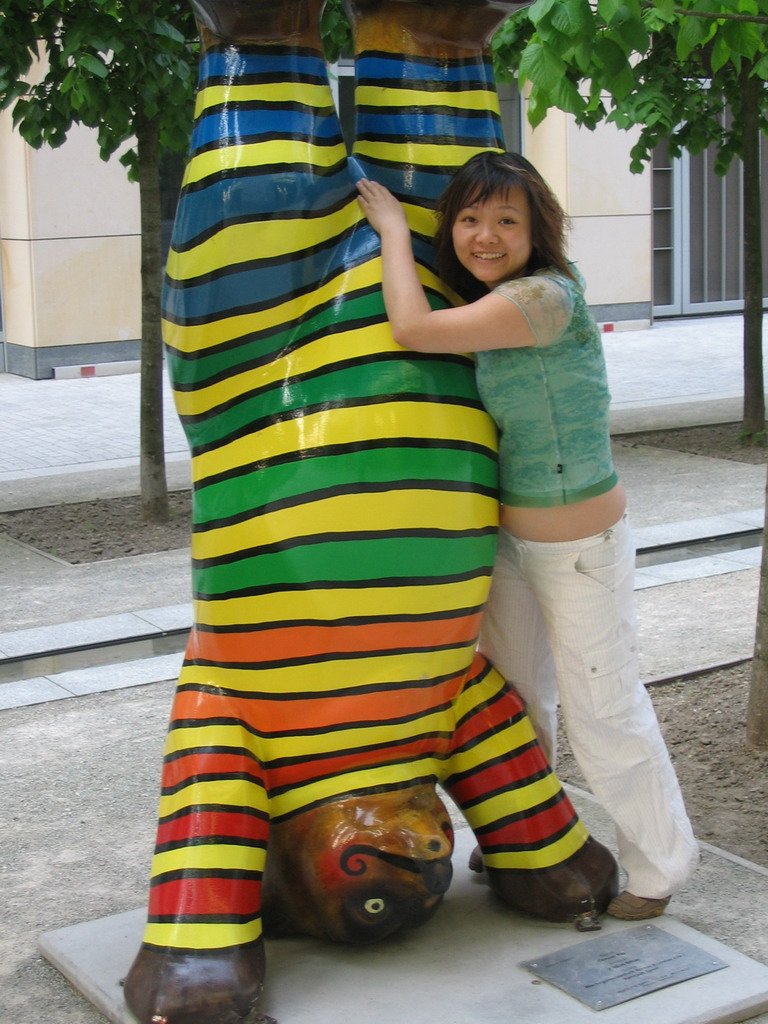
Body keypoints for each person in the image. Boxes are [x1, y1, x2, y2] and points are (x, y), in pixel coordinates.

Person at [356, 150, 699, 921]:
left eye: (506, 219)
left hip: (579, 549)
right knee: (515, 701)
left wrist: (390, 232)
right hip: (513, 540)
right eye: (470, 218)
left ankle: (658, 868)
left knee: (602, 709)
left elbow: (410, 326)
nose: (485, 234)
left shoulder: (543, 299)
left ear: (536, 228)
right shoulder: (500, 299)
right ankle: (531, 841)